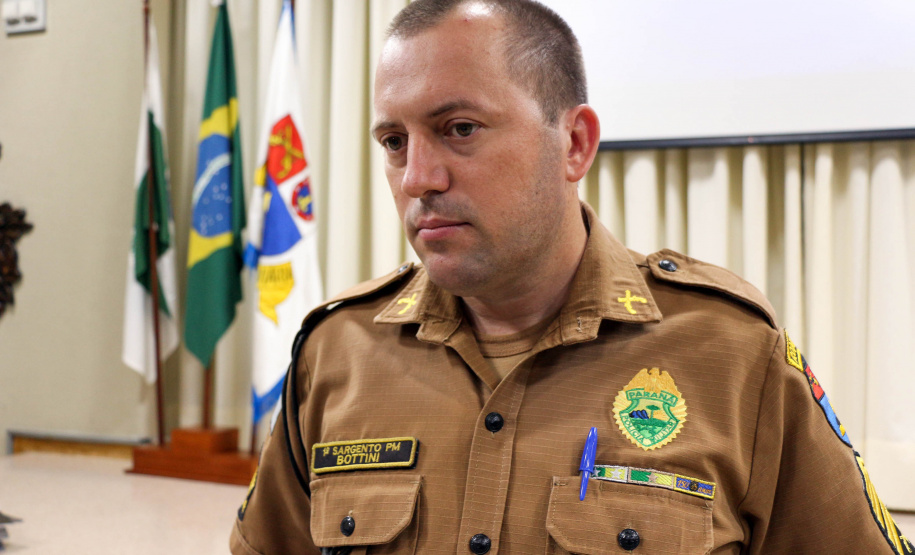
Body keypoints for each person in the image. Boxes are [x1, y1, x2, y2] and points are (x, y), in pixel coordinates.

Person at [230, 1, 914, 553]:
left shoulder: (729, 350)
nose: (417, 179)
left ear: (575, 143)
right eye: (393, 141)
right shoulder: (335, 352)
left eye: (460, 128)